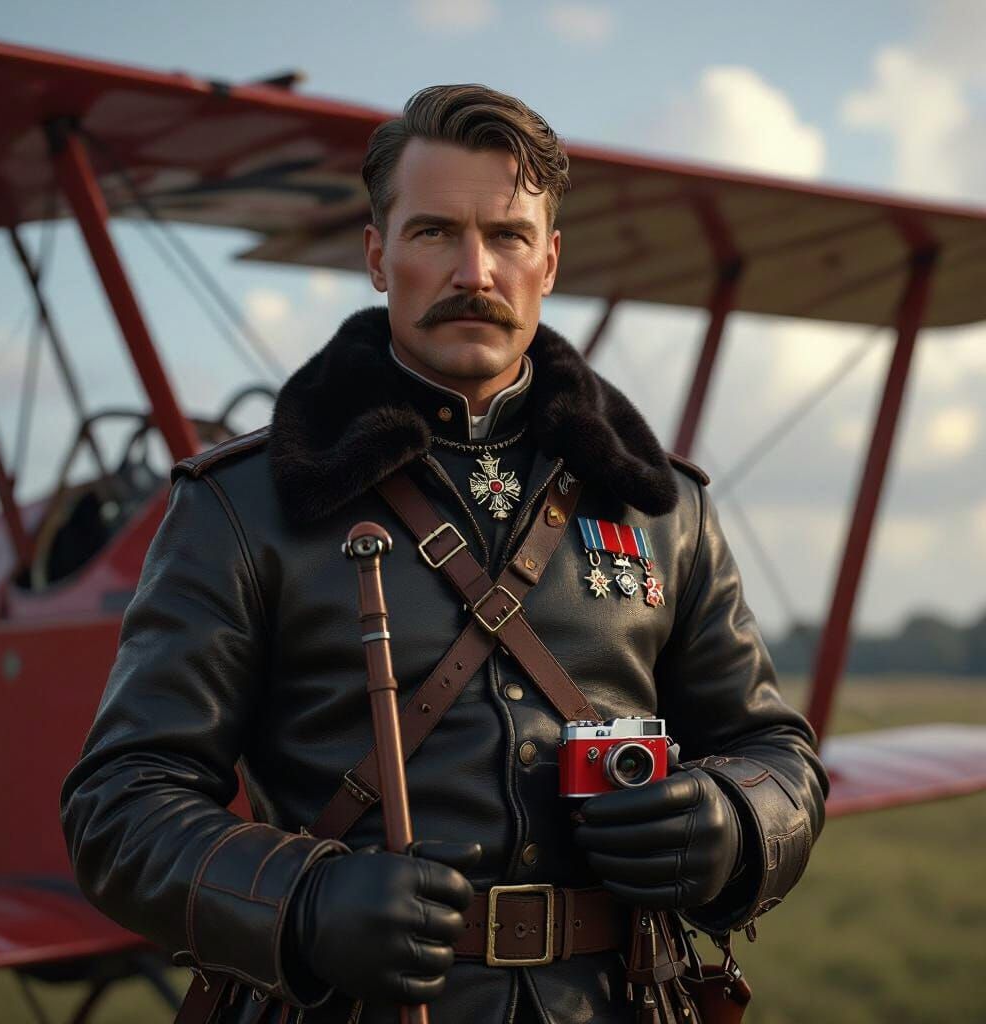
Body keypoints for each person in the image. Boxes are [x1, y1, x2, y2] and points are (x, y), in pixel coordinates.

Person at [61, 84, 828, 1024]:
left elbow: (775, 752)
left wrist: (737, 824)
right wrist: (300, 902)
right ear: (379, 256)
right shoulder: (237, 506)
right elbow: (119, 804)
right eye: (433, 233)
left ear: (549, 259)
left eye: (507, 236)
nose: (475, 270)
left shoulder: (664, 506)